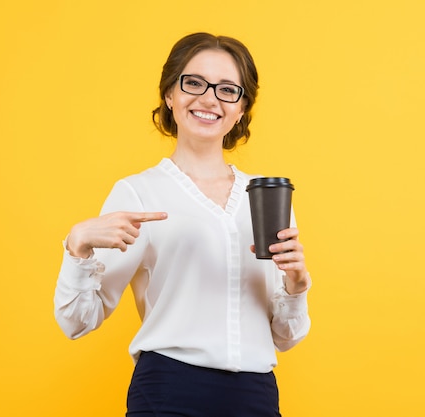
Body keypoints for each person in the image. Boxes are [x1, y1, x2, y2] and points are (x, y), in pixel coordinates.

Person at [54, 32, 312, 417]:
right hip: (169, 393)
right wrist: (78, 247)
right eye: (194, 83)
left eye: (228, 90)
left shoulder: (266, 198)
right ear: (170, 95)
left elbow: (284, 337)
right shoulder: (138, 193)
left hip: (255, 394)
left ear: (242, 109)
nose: (209, 99)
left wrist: (297, 286)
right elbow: (77, 320)